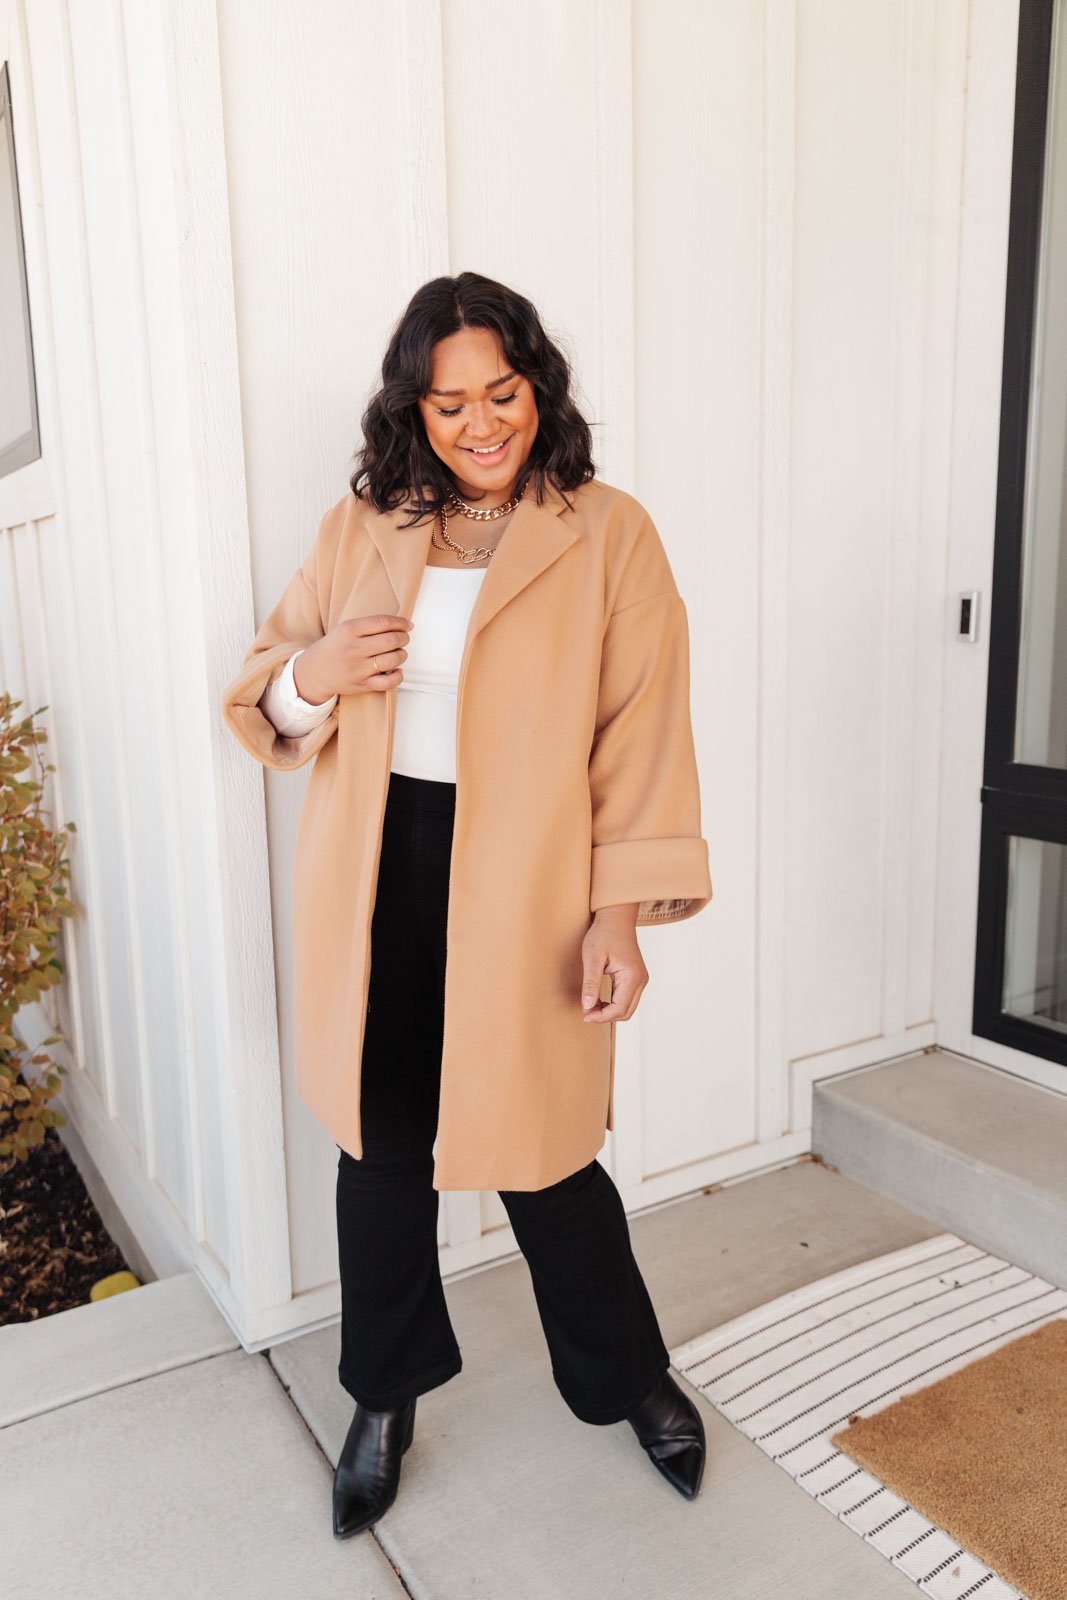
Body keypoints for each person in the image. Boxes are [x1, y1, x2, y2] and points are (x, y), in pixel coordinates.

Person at [221, 271, 713, 1540]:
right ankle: (381, 1398)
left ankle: (628, 1378)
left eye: (502, 393)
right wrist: (317, 671)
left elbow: (640, 733)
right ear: (413, 412)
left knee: (547, 1160)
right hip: (378, 873)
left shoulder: (608, 533)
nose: (481, 424)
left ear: (536, 388)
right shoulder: (363, 528)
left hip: (531, 882)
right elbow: (268, 690)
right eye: (450, 405)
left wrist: (616, 915)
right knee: (381, 1154)